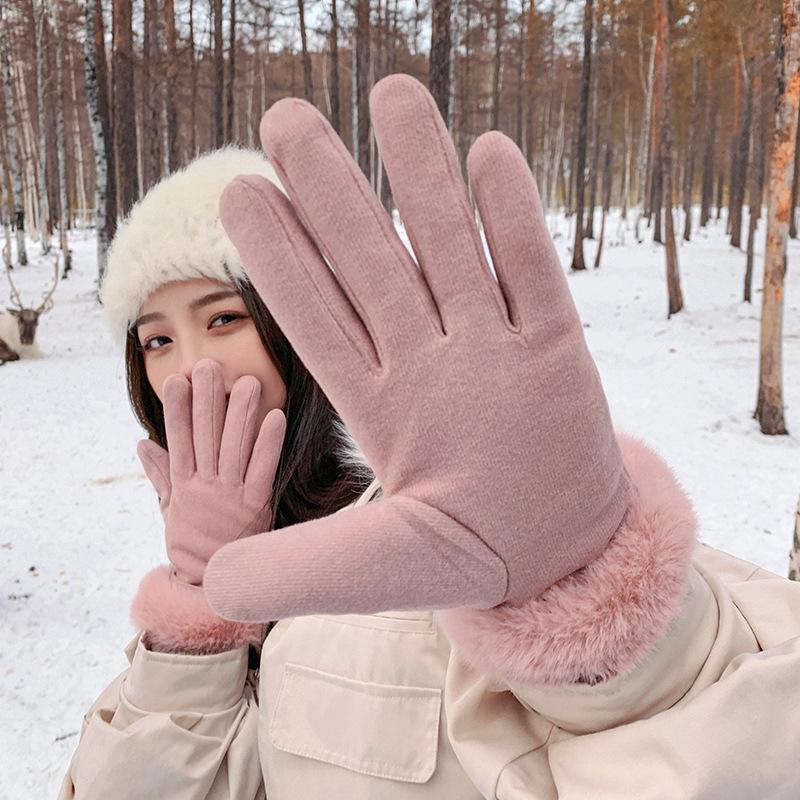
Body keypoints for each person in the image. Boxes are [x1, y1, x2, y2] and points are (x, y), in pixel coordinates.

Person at [60, 76, 800, 800]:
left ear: (312, 328)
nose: (190, 369)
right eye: (156, 341)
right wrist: (196, 624)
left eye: (224, 319)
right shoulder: (212, 571)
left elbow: (734, 747)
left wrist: (583, 588)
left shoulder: (464, 531)